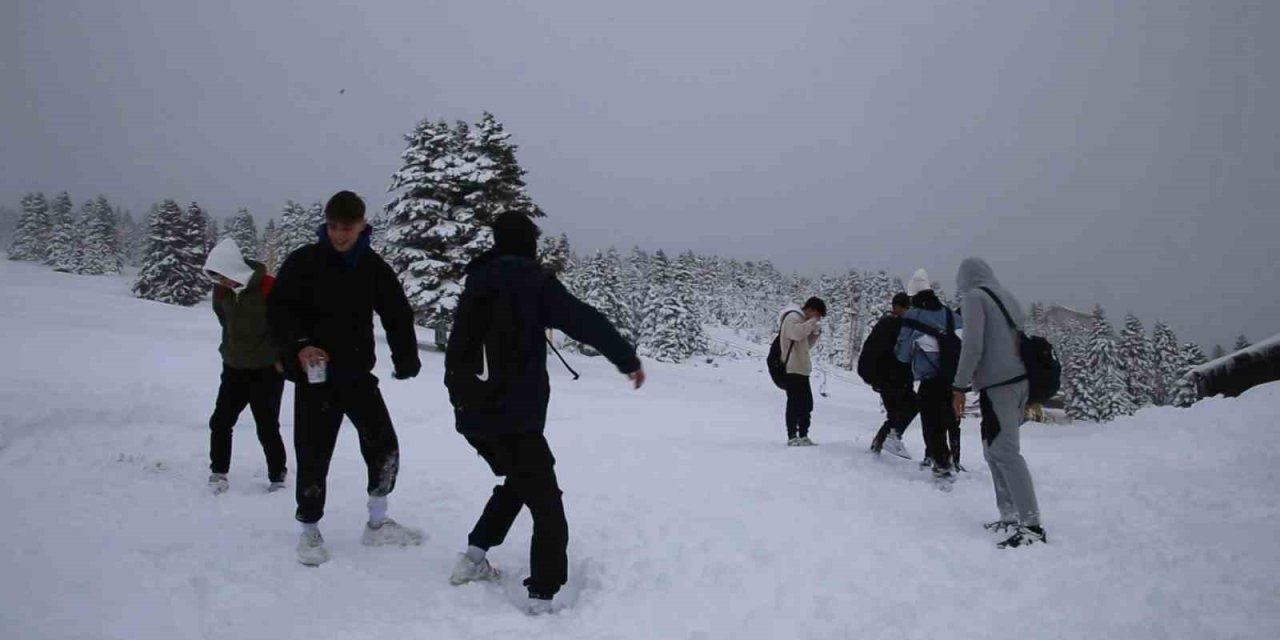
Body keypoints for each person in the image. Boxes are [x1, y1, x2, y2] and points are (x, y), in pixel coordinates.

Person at [444, 212, 644, 615]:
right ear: (530, 244)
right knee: (547, 504)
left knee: (520, 482)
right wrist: (627, 359)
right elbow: (585, 321)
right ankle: (542, 596)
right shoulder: (533, 283)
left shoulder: (477, 280)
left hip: (471, 412)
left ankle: (472, 556)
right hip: (513, 415)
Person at [268, 191, 424, 566]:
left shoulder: (371, 266)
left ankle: (377, 522)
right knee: (313, 454)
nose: (339, 235)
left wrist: (405, 358)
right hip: (316, 378)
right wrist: (299, 347)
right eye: (334, 226)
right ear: (326, 223)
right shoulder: (304, 262)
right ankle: (309, 530)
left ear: (361, 226)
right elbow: (278, 312)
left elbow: (397, 312)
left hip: (356, 375)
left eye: (347, 228)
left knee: (385, 447)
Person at [950, 257, 1045, 548]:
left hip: (1000, 383)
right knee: (994, 451)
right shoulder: (1007, 296)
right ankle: (1009, 515)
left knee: (1004, 451)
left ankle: (1031, 525)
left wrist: (959, 385)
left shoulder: (975, 298)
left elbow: (973, 344)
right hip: (1017, 381)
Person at [202, 238, 287, 495]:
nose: (222, 283)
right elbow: (223, 319)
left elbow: (286, 324)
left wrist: (280, 357)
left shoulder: (269, 287)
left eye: (224, 277)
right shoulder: (221, 292)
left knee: (267, 425)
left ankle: (277, 476)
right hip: (234, 368)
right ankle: (219, 472)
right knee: (220, 421)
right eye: (217, 278)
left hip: (266, 370)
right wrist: (230, 347)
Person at [895, 269, 962, 486]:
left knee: (931, 422)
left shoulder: (913, 315)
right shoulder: (952, 316)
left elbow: (903, 354)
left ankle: (942, 466)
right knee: (948, 420)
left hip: (930, 378)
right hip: (953, 378)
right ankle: (952, 459)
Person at [858, 292, 917, 458]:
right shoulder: (895, 324)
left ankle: (879, 444)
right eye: (907, 307)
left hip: (882, 374)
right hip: (889, 375)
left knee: (895, 411)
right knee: (911, 404)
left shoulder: (887, 323)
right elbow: (894, 353)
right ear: (898, 307)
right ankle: (891, 437)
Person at [779, 297, 826, 446]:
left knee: (806, 404)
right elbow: (796, 334)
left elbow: (805, 344)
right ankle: (792, 436)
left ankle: (804, 435)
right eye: (817, 315)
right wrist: (811, 323)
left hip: (802, 368)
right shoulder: (792, 317)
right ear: (811, 309)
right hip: (792, 367)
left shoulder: (802, 321)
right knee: (794, 403)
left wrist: (814, 334)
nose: (817, 318)